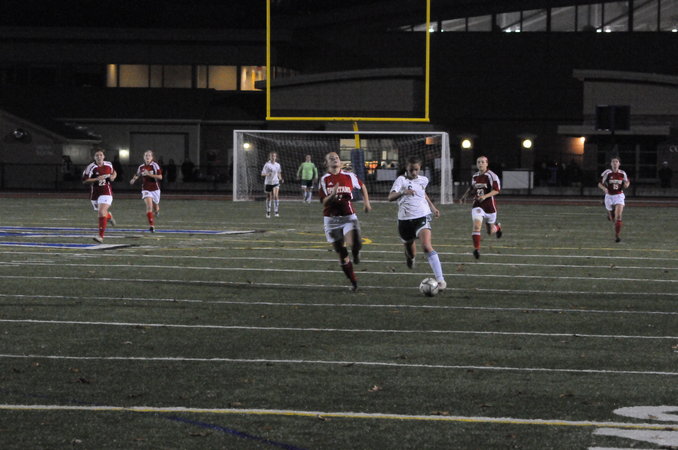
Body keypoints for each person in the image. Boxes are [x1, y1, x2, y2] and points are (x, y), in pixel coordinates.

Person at [388, 156, 446, 290]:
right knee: (411, 252)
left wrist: (433, 207)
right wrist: (403, 192)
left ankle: (440, 280)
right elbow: (390, 197)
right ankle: (410, 258)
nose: (414, 172)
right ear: (406, 168)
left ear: (420, 169)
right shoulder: (401, 180)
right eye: (411, 170)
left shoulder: (423, 180)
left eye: (416, 170)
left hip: (421, 216)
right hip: (404, 220)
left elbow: (423, 194)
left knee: (426, 246)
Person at [318, 151, 372, 291]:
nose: (335, 159)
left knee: (356, 243)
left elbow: (362, 186)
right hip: (331, 219)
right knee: (341, 253)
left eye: (337, 157)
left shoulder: (349, 176)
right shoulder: (324, 179)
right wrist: (332, 195)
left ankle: (356, 253)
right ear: (326, 163)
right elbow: (324, 202)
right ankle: (353, 282)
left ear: (340, 161)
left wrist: (366, 203)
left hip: (349, 217)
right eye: (331, 158)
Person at [459, 156, 502, 259]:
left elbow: (496, 190)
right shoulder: (475, 176)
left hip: (490, 207)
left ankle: (498, 227)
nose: (480, 164)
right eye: (478, 162)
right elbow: (471, 188)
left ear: (487, 163)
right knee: (477, 226)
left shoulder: (492, 176)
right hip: (477, 205)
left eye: (482, 162)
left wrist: (485, 196)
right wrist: (464, 197)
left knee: (490, 232)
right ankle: (476, 249)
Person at [82, 148, 117, 243]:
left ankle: (100, 237)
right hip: (95, 193)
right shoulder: (91, 167)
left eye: (101, 155)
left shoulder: (108, 164)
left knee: (101, 212)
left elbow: (114, 172)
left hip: (106, 192)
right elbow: (85, 180)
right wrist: (96, 179)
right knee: (103, 212)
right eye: (97, 155)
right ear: (94, 157)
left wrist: (113, 177)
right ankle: (109, 216)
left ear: (104, 156)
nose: (99, 157)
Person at [130, 149, 163, 232]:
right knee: (149, 206)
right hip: (146, 189)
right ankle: (152, 226)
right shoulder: (141, 167)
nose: (147, 157)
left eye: (149, 155)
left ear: (152, 157)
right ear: (143, 157)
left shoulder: (155, 165)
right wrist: (134, 179)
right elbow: (137, 174)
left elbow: (160, 177)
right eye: (146, 155)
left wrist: (149, 174)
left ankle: (157, 211)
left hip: (155, 189)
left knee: (156, 208)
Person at [598, 157, 630, 242]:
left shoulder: (622, 173)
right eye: (613, 162)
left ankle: (617, 236)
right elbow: (600, 184)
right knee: (612, 218)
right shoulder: (607, 172)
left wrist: (627, 184)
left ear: (619, 164)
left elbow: (627, 181)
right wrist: (604, 188)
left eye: (616, 162)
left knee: (618, 217)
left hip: (619, 196)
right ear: (611, 164)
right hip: (609, 196)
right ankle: (610, 214)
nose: (615, 163)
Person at [261, 152, 283, 217]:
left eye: (274, 156)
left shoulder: (278, 165)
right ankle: (268, 211)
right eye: (272, 156)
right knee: (269, 197)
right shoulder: (267, 164)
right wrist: (267, 174)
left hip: (276, 182)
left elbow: (279, 173)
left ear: (276, 157)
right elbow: (262, 174)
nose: (273, 157)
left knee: (276, 196)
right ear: (270, 157)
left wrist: (281, 178)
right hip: (268, 182)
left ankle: (276, 211)